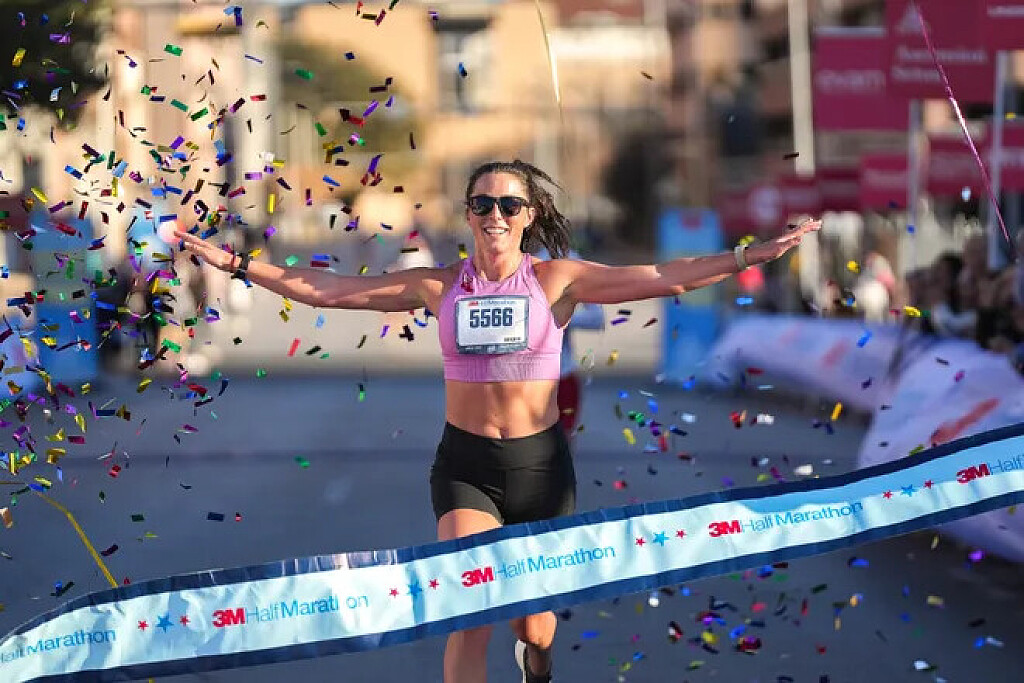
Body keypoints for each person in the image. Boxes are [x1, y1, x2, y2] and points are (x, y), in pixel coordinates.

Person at [175, 159, 820, 683]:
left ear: (529, 216)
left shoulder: (556, 280)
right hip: (467, 466)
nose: (496, 216)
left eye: (510, 205)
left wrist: (750, 256)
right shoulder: (439, 287)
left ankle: (537, 665)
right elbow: (330, 290)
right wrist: (238, 265)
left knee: (532, 625)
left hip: (540, 467)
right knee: (468, 605)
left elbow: (662, 277)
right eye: (483, 204)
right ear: (468, 215)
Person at [534, 246, 605, 437]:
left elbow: (597, 318)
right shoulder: (513, 262)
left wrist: (558, 319)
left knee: (563, 441)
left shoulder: (570, 260)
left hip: (563, 373)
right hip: (525, 379)